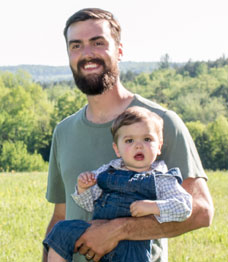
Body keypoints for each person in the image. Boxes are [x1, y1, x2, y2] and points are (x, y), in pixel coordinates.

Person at [43, 8, 214, 262]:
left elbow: (201, 212)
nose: (87, 53)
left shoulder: (160, 123)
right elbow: (61, 216)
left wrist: (119, 230)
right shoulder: (64, 131)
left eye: (98, 43)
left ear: (119, 51)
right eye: (76, 45)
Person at [43, 106, 192, 262]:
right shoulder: (107, 171)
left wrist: (153, 207)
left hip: (132, 247)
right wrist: (83, 188)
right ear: (117, 149)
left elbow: (185, 206)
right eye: (129, 140)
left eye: (147, 139)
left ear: (159, 146)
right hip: (97, 233)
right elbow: (90, 205)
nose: (138, 145)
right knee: (61, 230)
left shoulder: (161, 179)